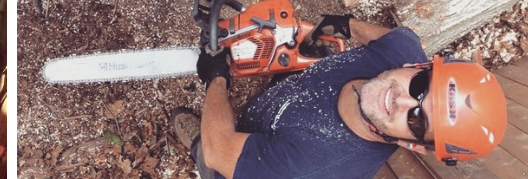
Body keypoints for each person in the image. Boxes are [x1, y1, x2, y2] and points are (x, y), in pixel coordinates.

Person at [170, 11, 507, 179]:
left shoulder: (315, 167)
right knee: (287, 89)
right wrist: (344, 24)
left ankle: (195, 141)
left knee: (210, 156)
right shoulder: (400, 50)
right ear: (419, 65)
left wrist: (217, 79)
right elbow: (399, 36)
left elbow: (221, 150)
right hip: (288, 104)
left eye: (417, 120)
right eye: (420, 87)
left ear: (414, 144)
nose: (400, 100)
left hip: (240, 157)